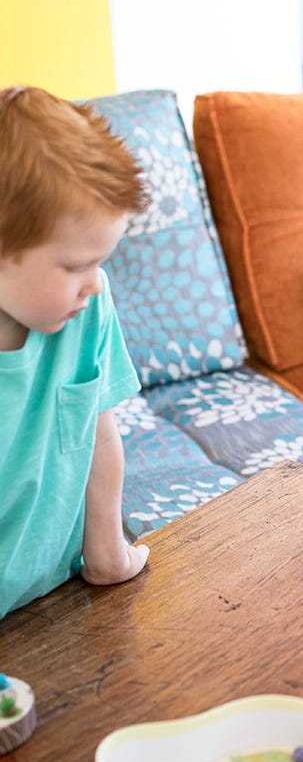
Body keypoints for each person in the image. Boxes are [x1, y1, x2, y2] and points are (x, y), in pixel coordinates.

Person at [0, 85, 150, 618]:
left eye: (100, 261)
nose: (95, 282)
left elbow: (98, 433)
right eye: (75, 266)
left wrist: (107, 554)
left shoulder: (89, 306)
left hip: (57, 593)